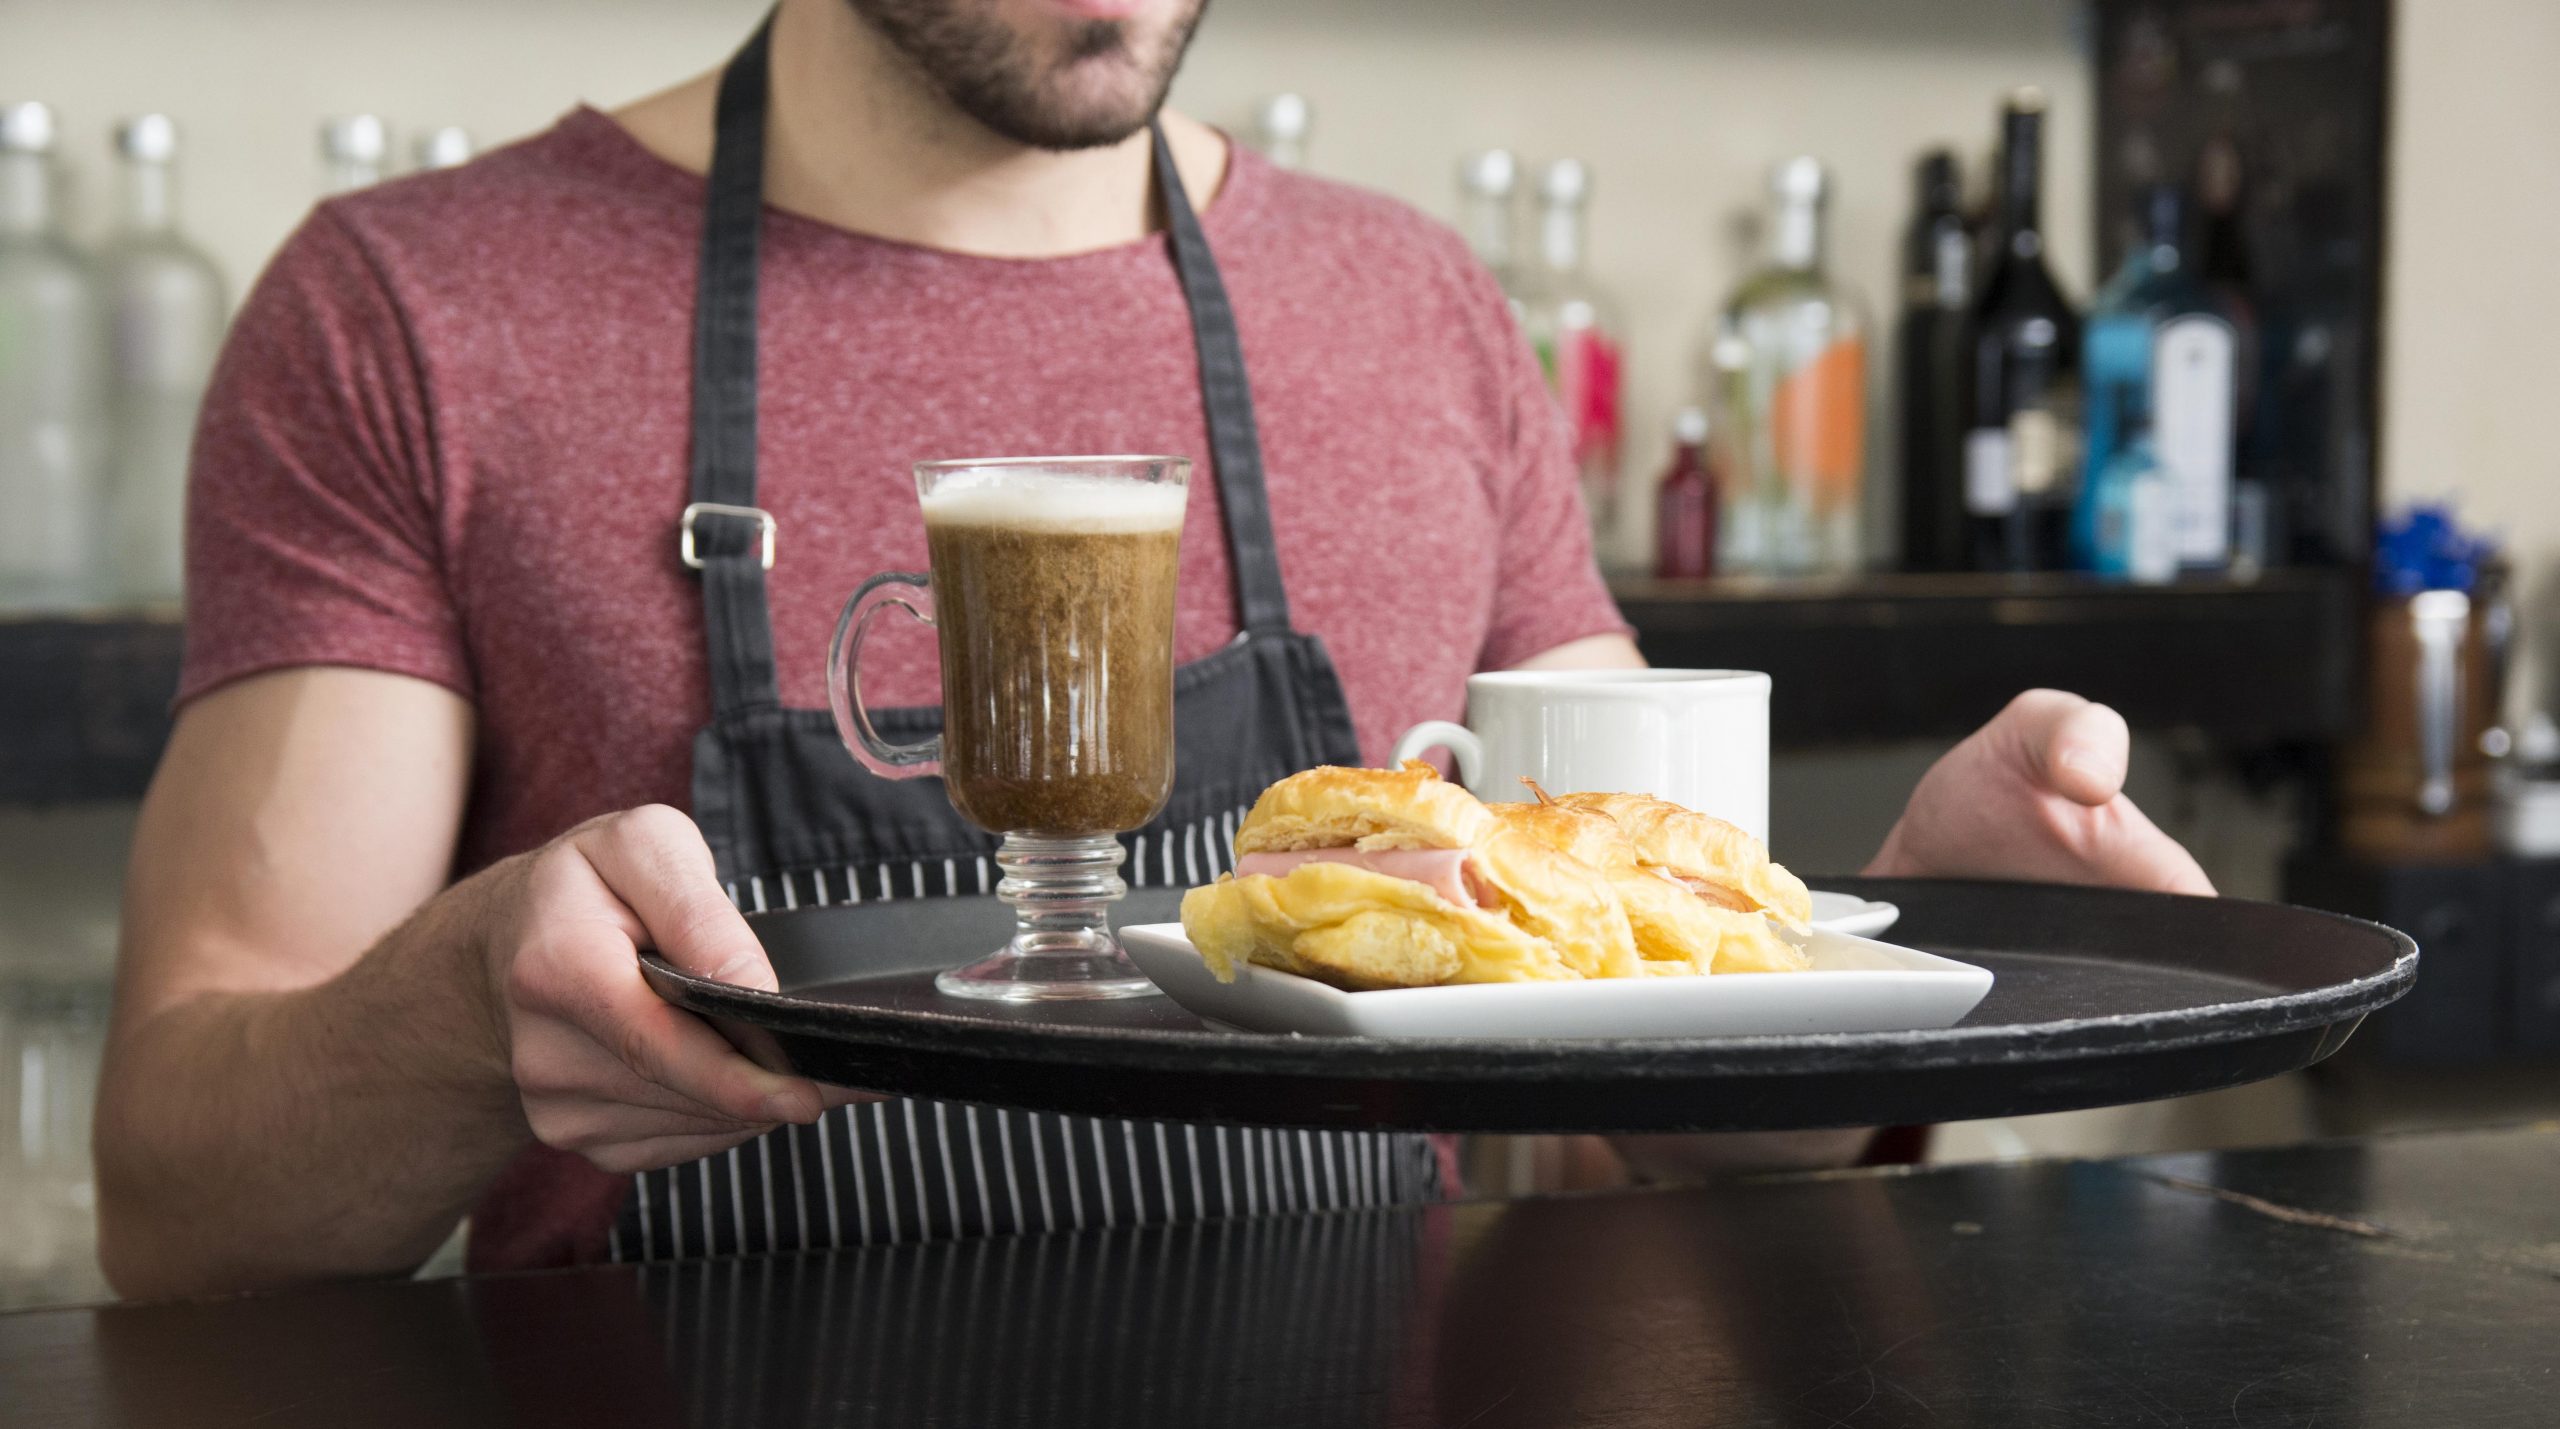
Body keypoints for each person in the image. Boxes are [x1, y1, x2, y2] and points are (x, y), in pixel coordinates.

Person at [93, 0, 2212, 1299]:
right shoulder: (414, 313)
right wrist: (460, 1008)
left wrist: (1869, 977)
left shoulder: (1419, 315)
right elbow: (184, 1213)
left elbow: (1628, 1113)